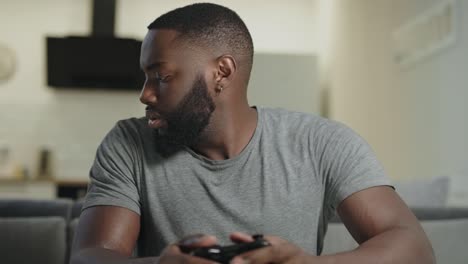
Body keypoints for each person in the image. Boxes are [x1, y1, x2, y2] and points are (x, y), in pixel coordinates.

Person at [70, 3, 434, 264]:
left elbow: (414, 248)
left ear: (222, 73)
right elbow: (89, 255)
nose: (145, 94)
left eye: (162, 77)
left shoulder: (322, 143)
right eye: (146, 78)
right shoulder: (128, 144)